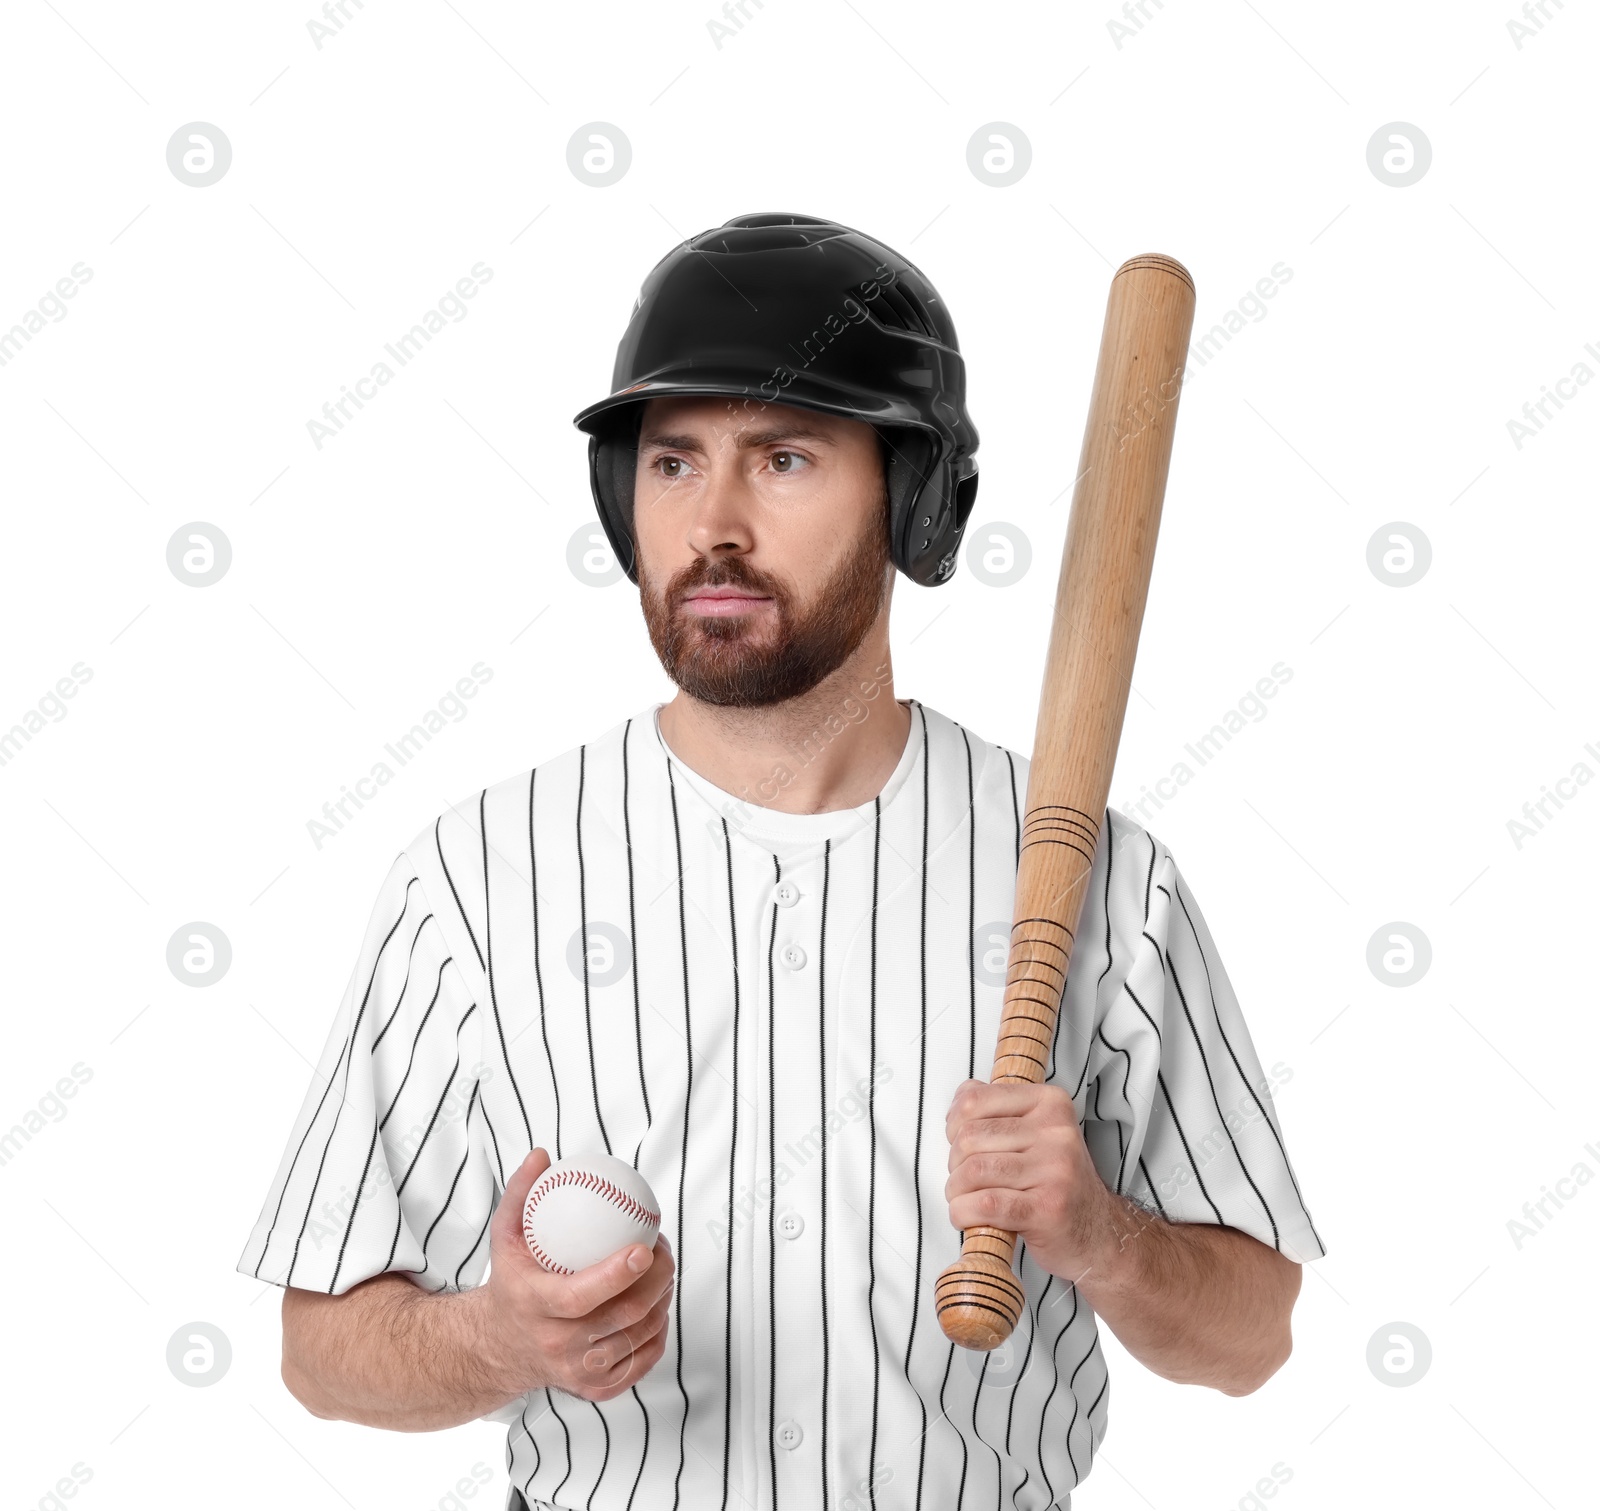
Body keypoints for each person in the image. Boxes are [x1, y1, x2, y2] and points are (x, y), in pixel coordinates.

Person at [238, 213, 1325, 1511]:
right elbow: (322, 1352)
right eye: (676, 463)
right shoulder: (479, 873)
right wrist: (500, 1338)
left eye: (788, 459)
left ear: (916, 502)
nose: (716, 524)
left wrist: (1105, 1239)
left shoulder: (1105, 877)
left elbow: (1253, 1334)